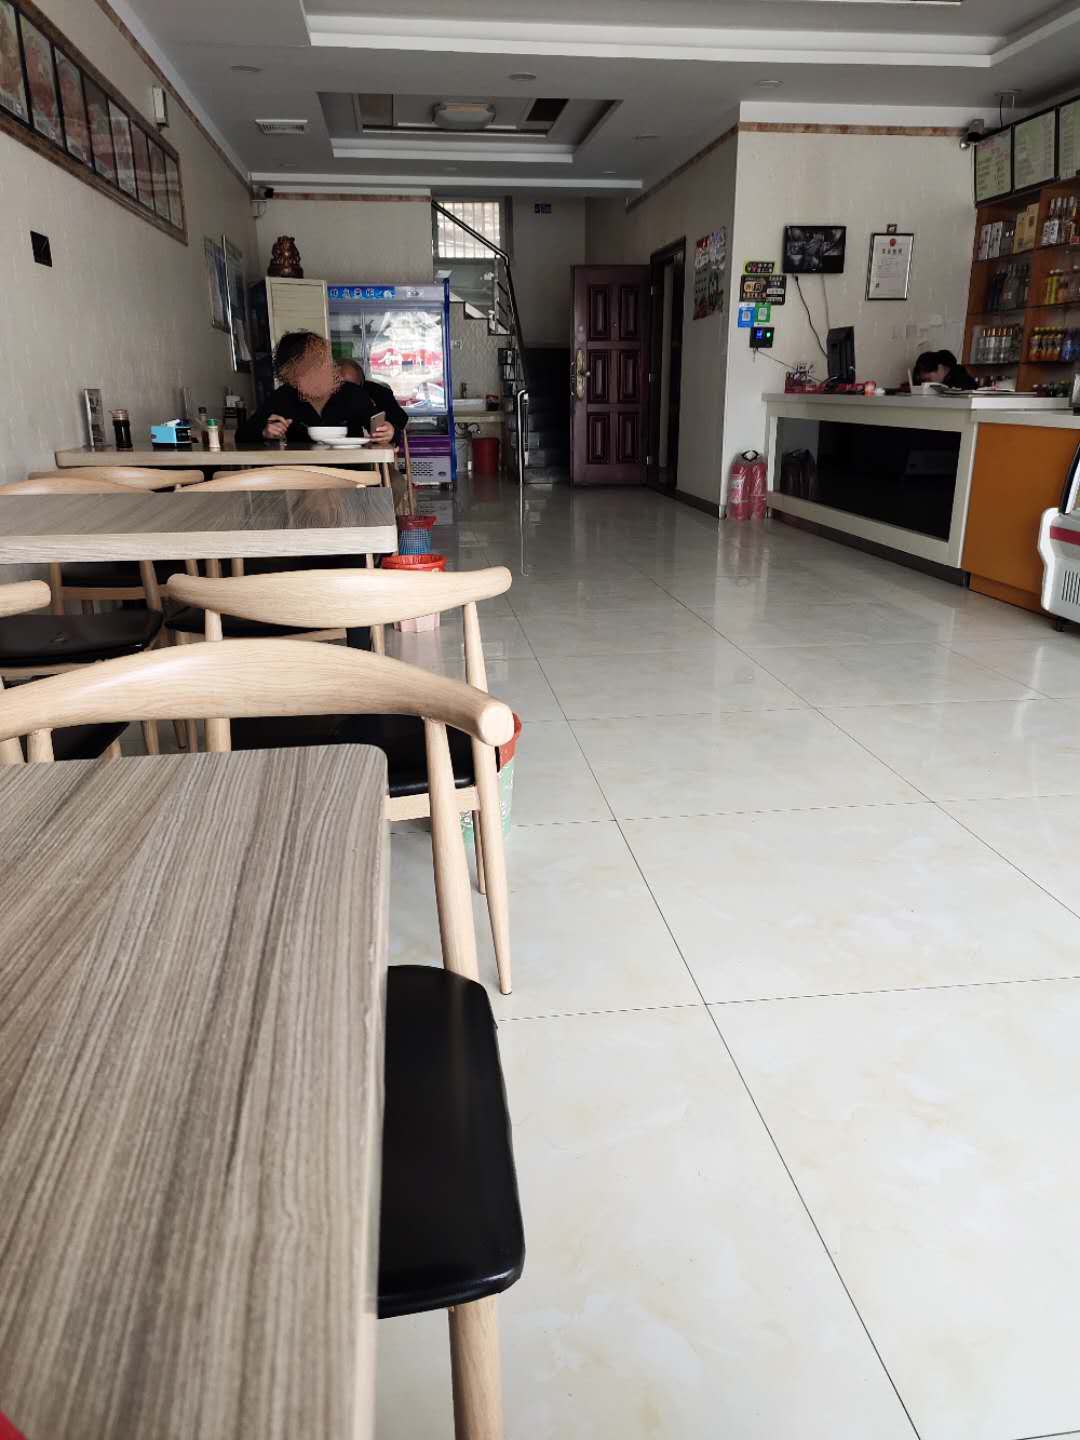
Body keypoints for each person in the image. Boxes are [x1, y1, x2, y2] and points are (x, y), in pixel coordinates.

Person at [235, 331, 406, 446]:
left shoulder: (351, 393)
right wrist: (265, 431)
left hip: (352, 472)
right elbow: (242, 435)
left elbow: (384, 427)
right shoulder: (283, 397)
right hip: (304, 475)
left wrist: (389, 433)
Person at [336, 358, 409, 439]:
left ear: (361, 383)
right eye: (338, 384)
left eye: (351, 387)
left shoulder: (377, 393)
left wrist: (389, 431)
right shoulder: (328, 398)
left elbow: (400, 421)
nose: (345, 391)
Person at [912, 348, 977, 391]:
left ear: (940, 367)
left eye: (928, 380)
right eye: (924, 381)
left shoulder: (963, 381)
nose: (926, 384)